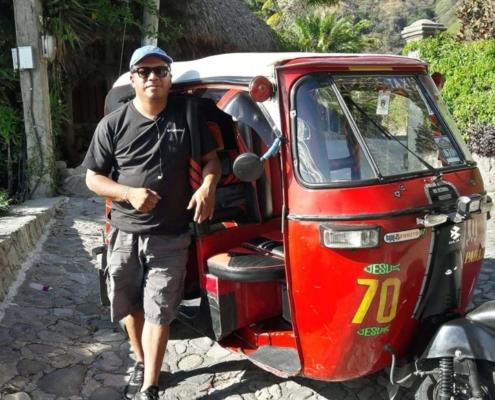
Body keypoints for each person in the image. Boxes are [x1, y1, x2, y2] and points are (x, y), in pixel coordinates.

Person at [83, 45, 220, 400]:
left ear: (169, 77)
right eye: (144, 72)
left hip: (171, 235)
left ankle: (151, 385)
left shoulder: (186, 116)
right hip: (125, 231)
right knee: (129, 304)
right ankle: (144, 361)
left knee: (159, 308)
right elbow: (93, 178)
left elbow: (211, 161)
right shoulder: (113, 123)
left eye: (160, 70)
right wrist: (129, 194)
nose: (153, 77)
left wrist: (208, 186)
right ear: (133, 78)